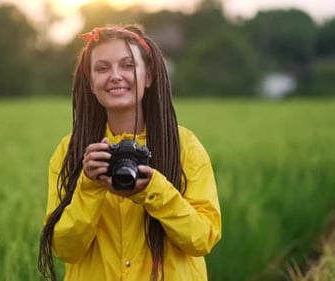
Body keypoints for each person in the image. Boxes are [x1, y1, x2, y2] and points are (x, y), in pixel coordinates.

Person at [38, 24, 221, 281]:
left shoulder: (184, 146)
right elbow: (64, 249)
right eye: (102, 68)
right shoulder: (71, 151)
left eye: (127, 65)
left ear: (148, 77)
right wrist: (89, 186)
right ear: (90, 83)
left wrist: (153, 189)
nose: (115, 76)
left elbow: (202, 239)